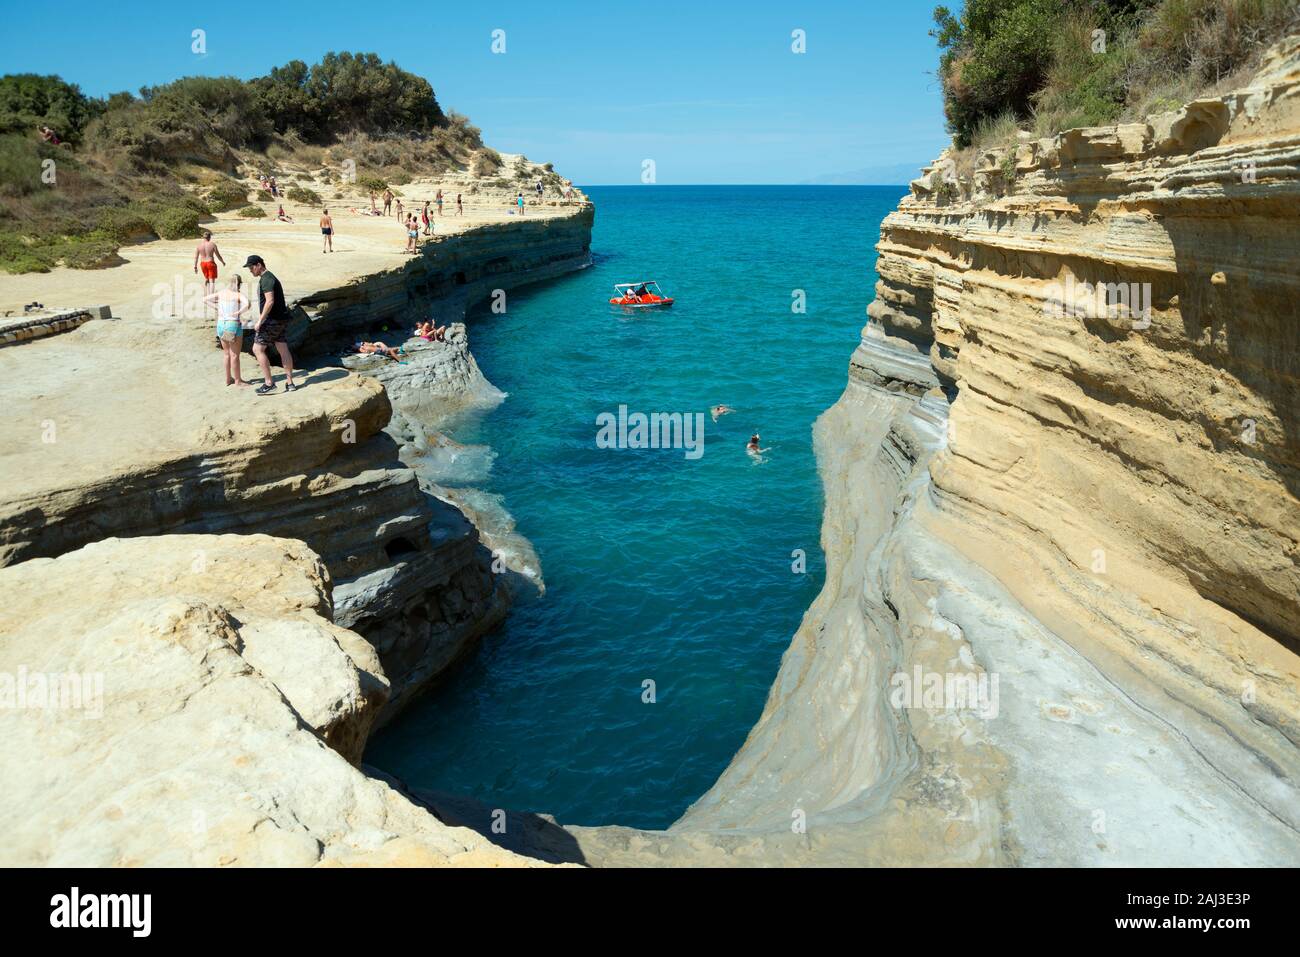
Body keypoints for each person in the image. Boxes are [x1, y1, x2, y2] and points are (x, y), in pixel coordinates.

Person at [243, 255, 296, 395]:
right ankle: (290, 383)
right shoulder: (269, 277)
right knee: (283, 348)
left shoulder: (267, 279)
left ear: (259, 265)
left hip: (271, 320)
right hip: (281, 319)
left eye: (251, 267)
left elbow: (270, 301)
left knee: (257, 349)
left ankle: (269, 383)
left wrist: (260, 320)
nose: (250, 270)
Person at [204, 276, 251, 387]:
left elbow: (205, 299)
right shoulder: (238, 295)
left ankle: (228, 379)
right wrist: (238, 312)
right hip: (232, 324)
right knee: (235, 355)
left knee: (226, 354)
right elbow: (248, 304)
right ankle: (238, 381)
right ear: (239, 284)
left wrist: (216, 308)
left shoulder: (222, 293)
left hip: (220, 324)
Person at [194, 231, 225, 298]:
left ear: (203, 237)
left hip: (203, 264)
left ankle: (207, 294)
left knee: (207, 279)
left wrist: (195, 267)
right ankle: (211, 297)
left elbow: (196, 257)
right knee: (212, 281)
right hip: (210, 263)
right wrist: (222, 262)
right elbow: (218, 255)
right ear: (209, 237)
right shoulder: (212, 245)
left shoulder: (199, 246)